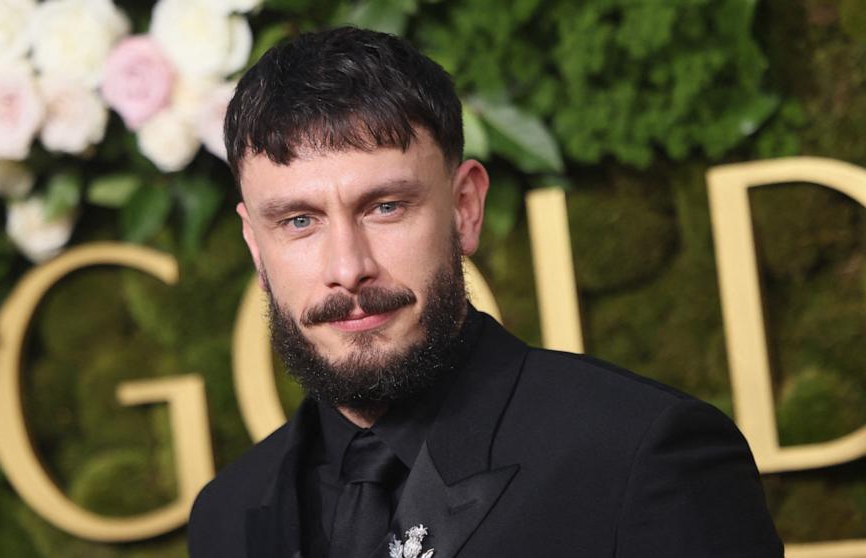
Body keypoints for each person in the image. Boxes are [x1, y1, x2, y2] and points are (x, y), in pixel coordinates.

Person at [187, 26, 783, 558]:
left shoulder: (639, 456)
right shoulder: (226, 515)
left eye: (386, 207)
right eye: (298, 221)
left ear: (465, 207)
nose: (348, 269)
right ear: (255, 244)